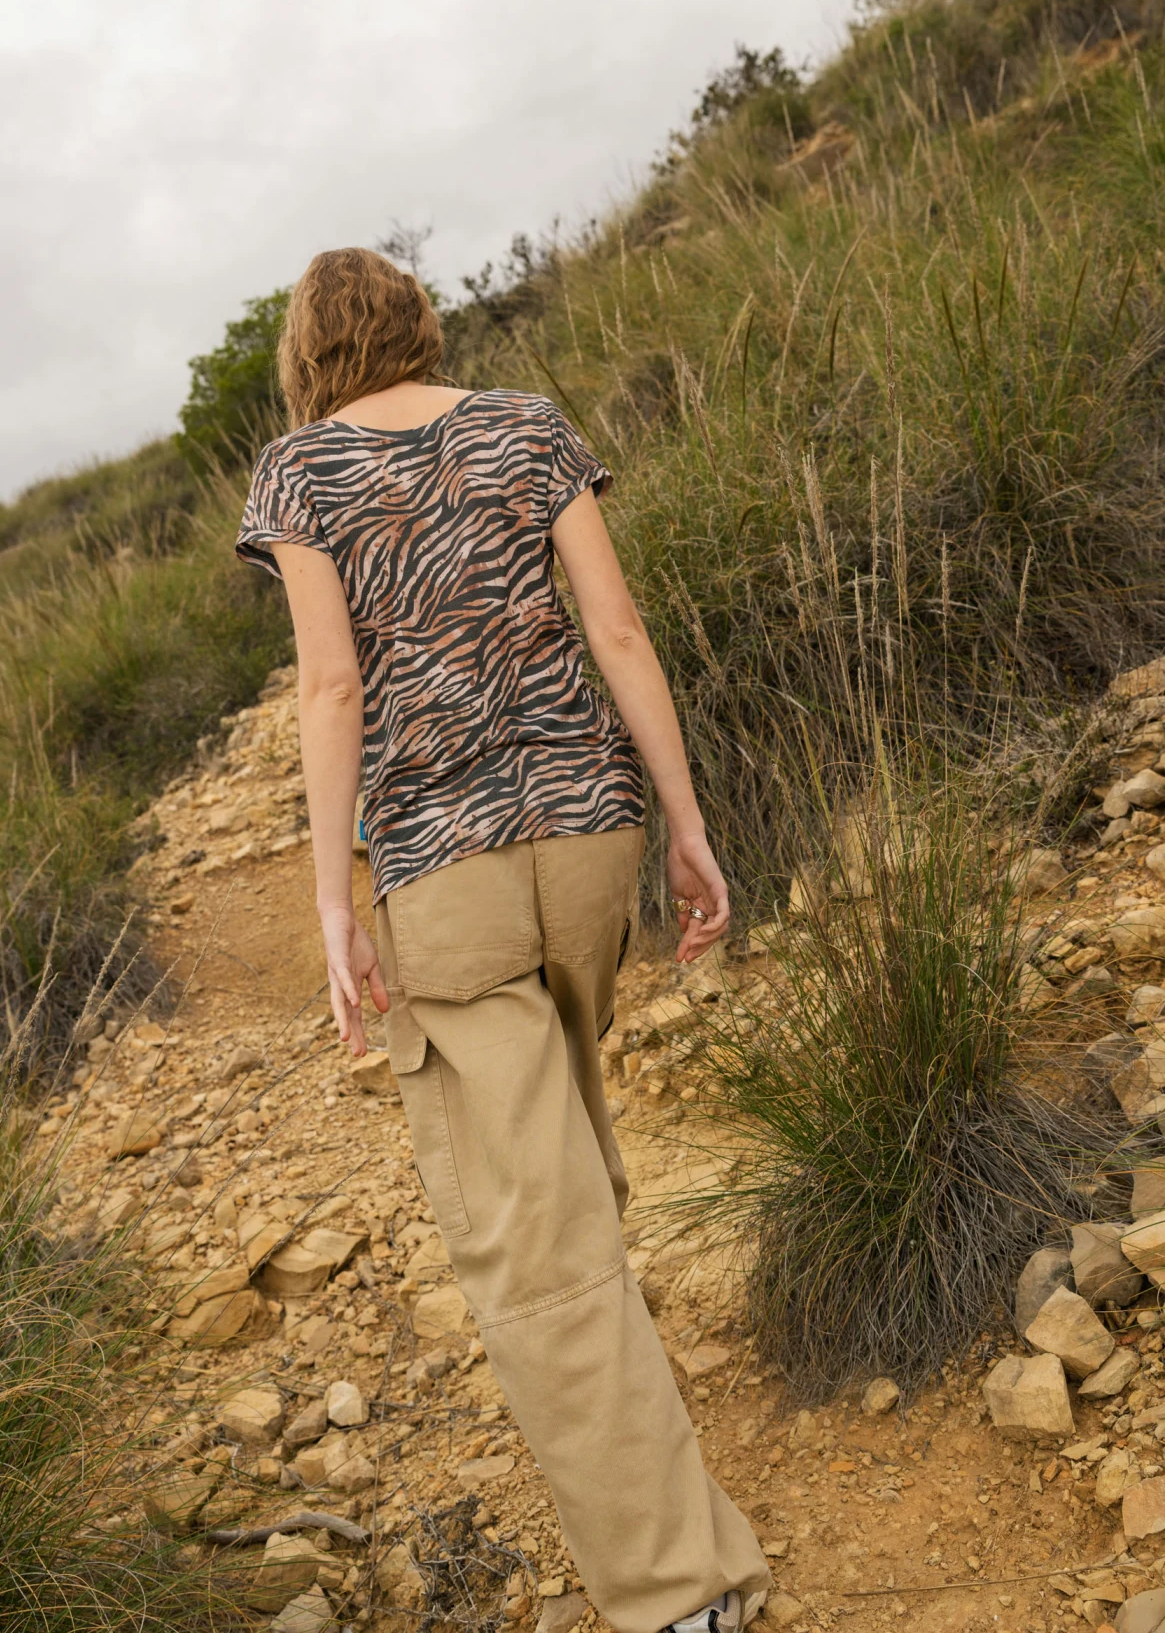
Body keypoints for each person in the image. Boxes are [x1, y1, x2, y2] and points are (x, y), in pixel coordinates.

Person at [235, 247, 771, 1633]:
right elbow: (620, 629)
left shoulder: (300, 473)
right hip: (591, 841)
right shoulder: (529, 424)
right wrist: (689, 818)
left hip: (448, 880)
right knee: (567, 1167)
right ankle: (675, 1506)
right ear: (420, 323)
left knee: (531, 1237)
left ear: (307, 355)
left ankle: (678, 1593)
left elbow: (333, 682)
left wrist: (334, 899)